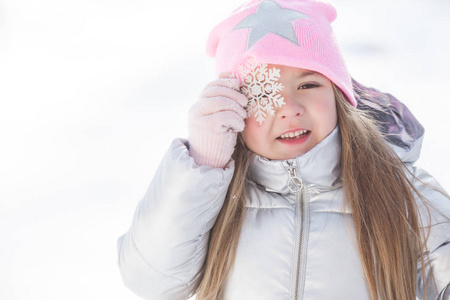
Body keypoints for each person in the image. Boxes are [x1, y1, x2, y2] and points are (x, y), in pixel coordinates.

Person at [117, 0, 450, 299]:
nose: (288, 107)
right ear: (236, 112)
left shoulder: (403, 194)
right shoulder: (213, 203)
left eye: (308, 84)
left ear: (339, 96)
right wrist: (203, 166)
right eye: (263, 94)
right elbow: (151, 280)